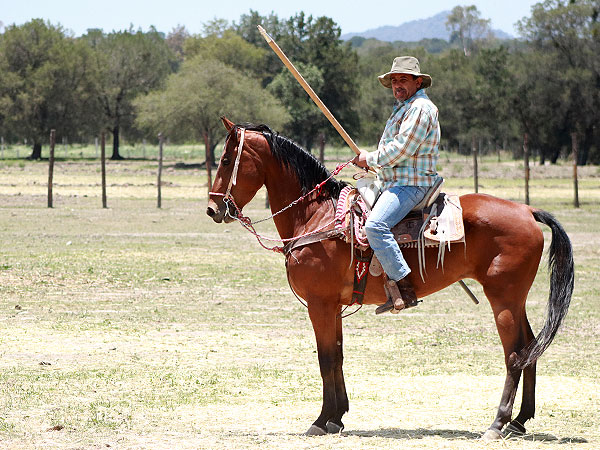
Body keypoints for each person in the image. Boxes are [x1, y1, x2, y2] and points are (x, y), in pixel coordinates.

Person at [352, 56, 440, 314]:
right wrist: (374, 163)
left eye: (403, 79)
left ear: (418, 81)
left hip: (411, 184)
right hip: (392, 180)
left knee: (375, 225)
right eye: (394, 80)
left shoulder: (421, 108)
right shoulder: (404, 106)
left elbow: (403, 148)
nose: (397, 85)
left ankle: (405, 288)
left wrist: (370, 158)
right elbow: (394, 151)